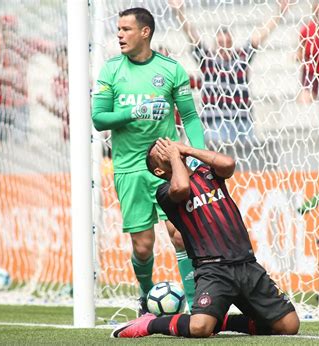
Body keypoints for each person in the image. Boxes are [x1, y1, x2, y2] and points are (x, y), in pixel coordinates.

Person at [112, 138, 300, 338]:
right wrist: (176, 157)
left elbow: (228, 164)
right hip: (213, 269)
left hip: (247, 264)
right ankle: (152, 323)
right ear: (159, 171)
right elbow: (182, 187)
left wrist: (186, 149)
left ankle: (223, 321)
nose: (168, 149)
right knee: (199, 328)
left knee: (289, 326)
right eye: (161, 151)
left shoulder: (207, 172)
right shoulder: (165, 192)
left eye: (169, 145)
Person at [92, 7, 205, 313]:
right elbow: (98, 118)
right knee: (143, 247)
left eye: (126, 29)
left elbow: (191, 118)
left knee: (180, 235)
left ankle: (197, 306)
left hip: (167, 168)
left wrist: (199, 155)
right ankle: (145, 297)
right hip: (129, 169)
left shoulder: (171, 69)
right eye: (118, 29)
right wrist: (135, 112)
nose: (119, 35)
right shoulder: (111, 70)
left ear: (145, 32)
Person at [169, 0, 289, 147]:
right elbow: (192, 35)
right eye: (220, 44)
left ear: (231, 43)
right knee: (218, 166)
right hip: (215, 124)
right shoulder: (207, 61)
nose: (223, 47)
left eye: (227, 43)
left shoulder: (241, 59)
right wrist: (179, 12)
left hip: (242, 123)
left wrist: (280, 12)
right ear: (215, 44)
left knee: (246, 166)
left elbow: (259, 36)